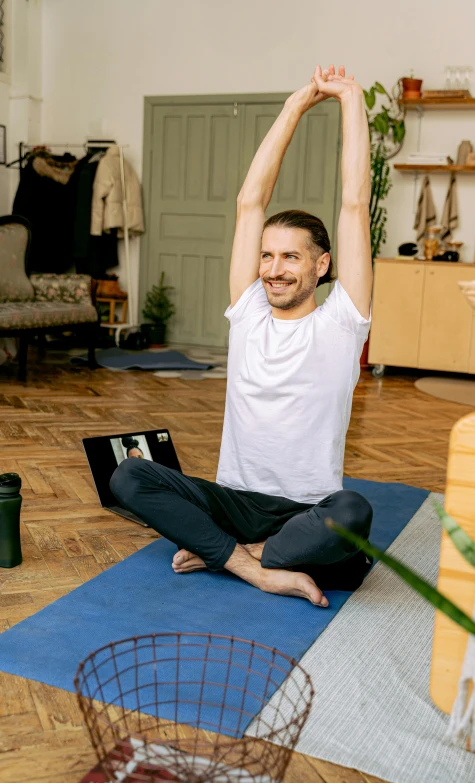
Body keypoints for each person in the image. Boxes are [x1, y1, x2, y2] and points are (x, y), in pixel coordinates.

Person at [111, 65, 373, 609]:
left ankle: (236, 553)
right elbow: (249, 201)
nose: (274, 269)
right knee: (130, 477)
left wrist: (350, 99)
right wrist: (294, 106)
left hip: (305, 508)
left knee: (352, 514)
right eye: (267, 255)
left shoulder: (342, 322)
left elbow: (354, 202)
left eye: (291, 257)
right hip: (231, 500)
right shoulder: (250, 310)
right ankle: (259, 567)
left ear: (322, 265)